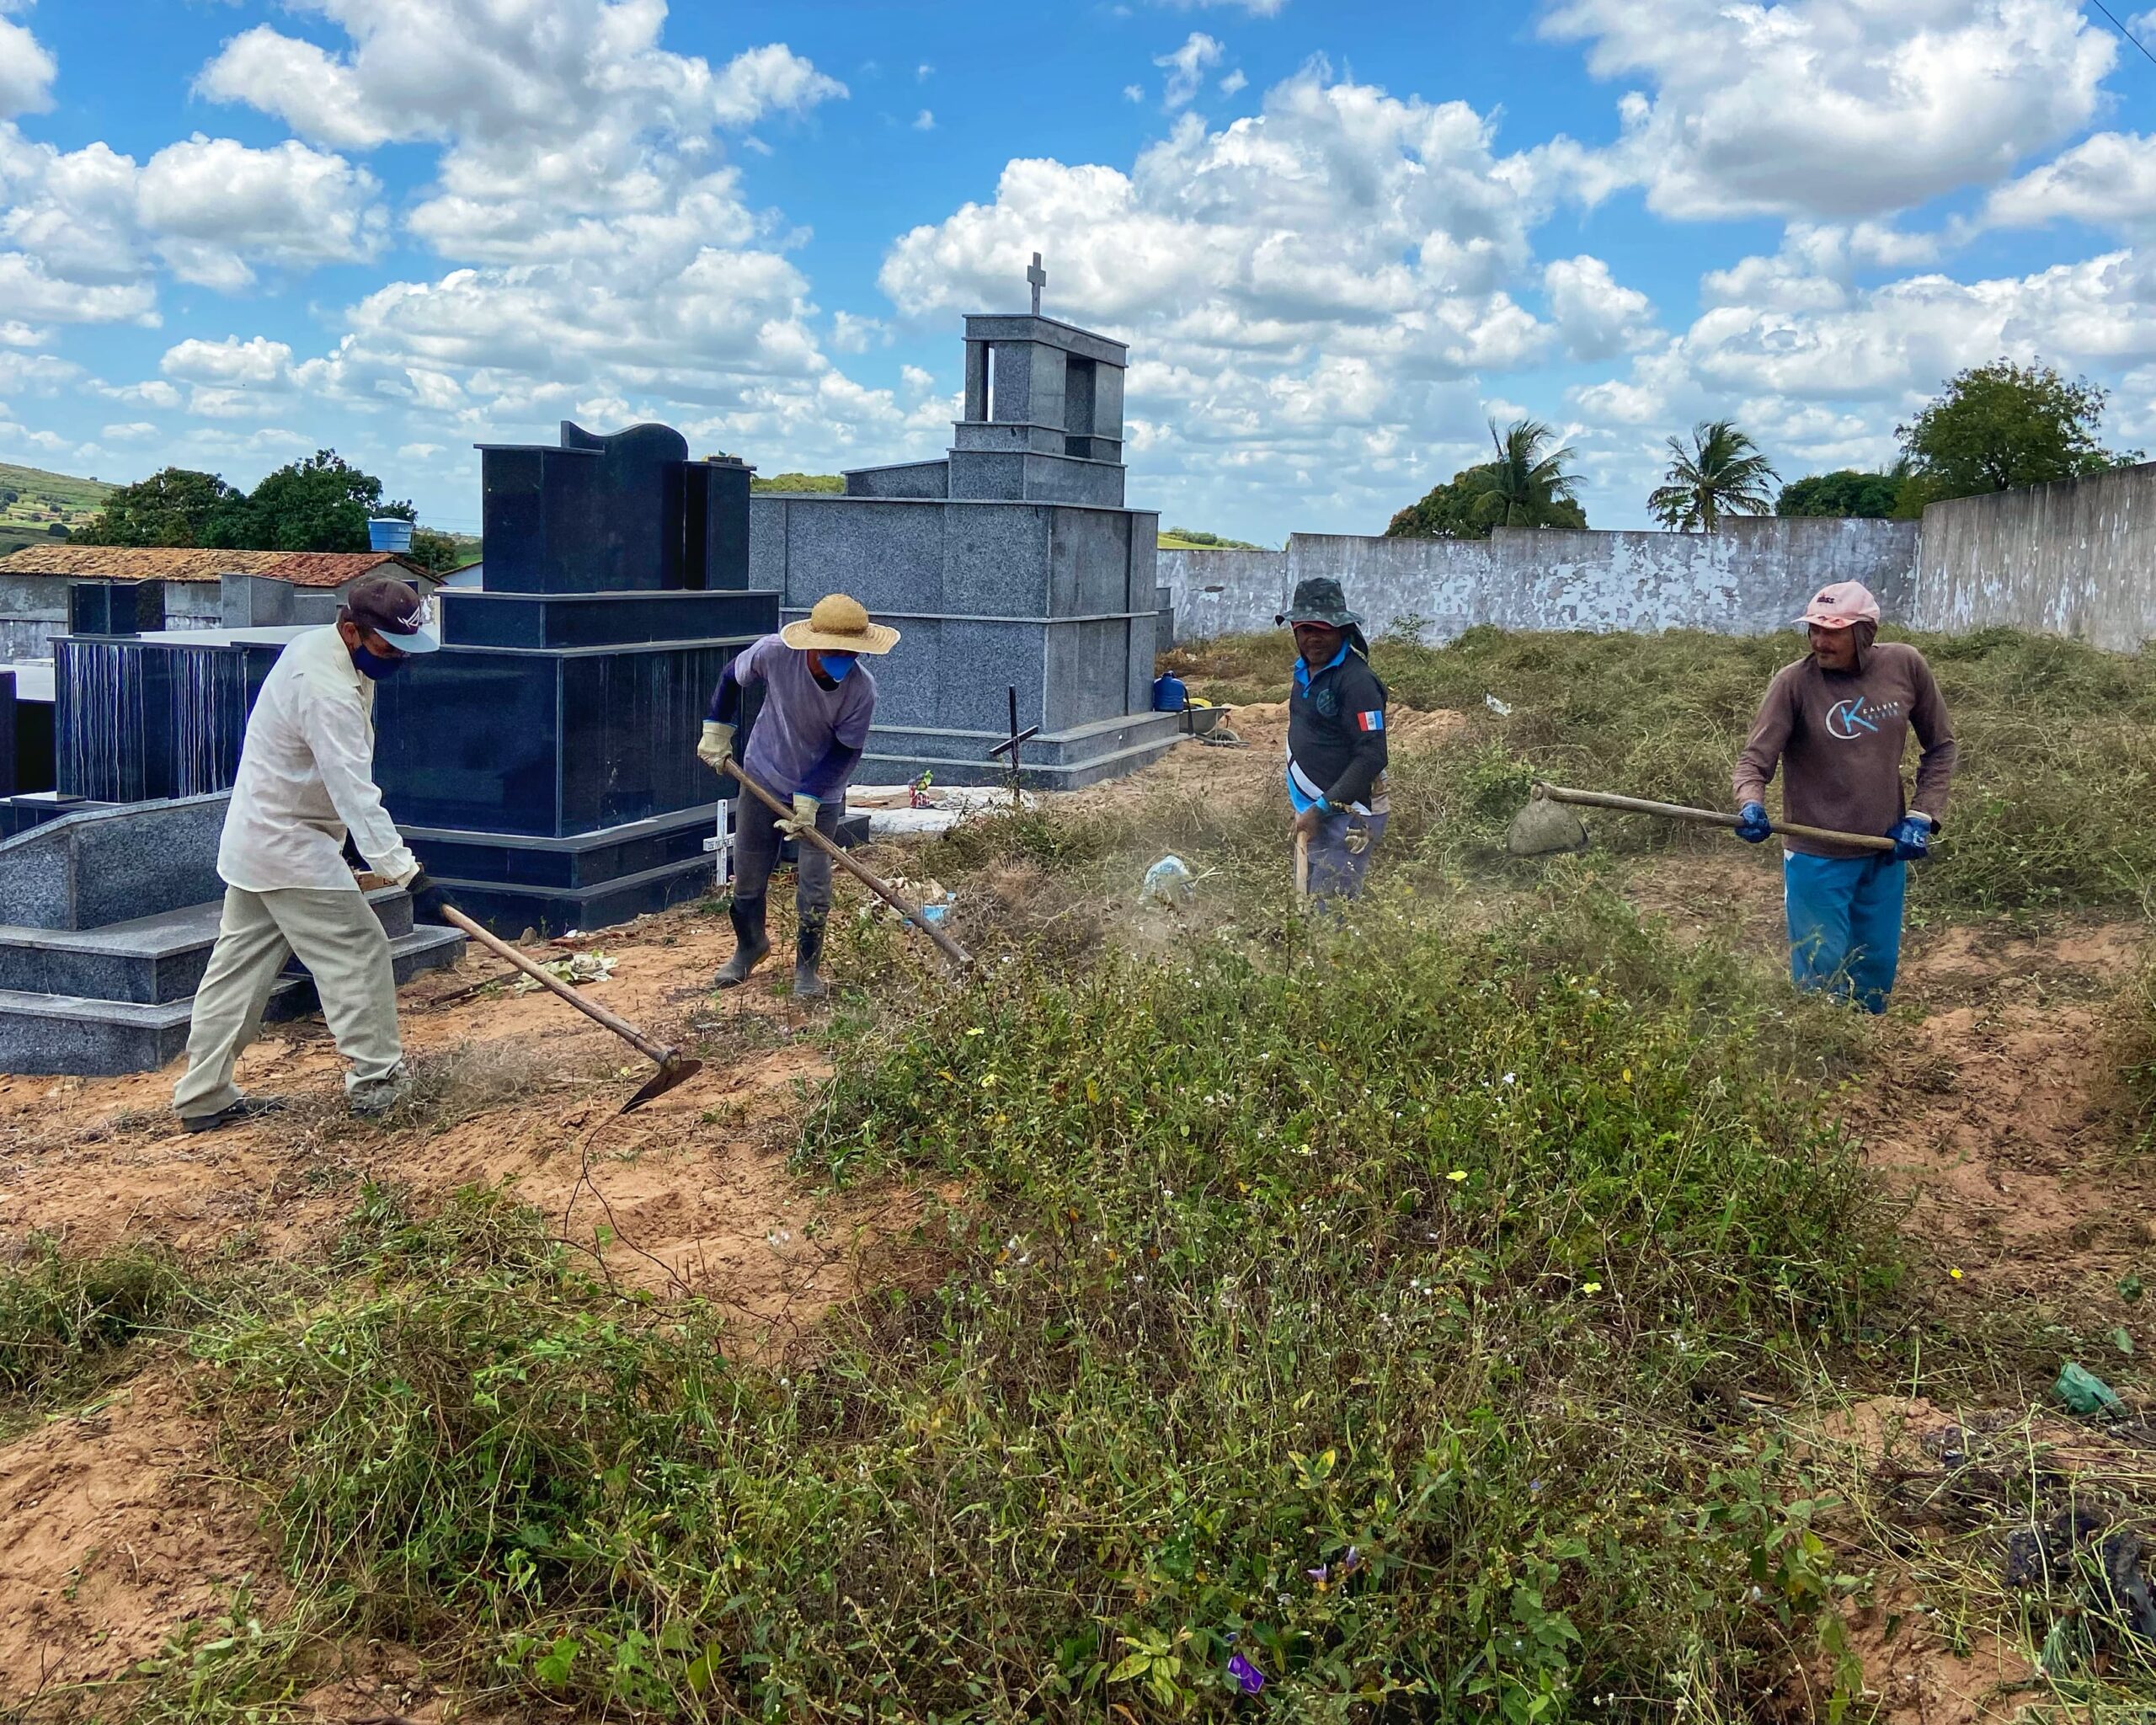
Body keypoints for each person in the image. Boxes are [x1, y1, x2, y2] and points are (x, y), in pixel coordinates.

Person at [173, 574, 450, 1132]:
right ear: (351, 630)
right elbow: (354, 790)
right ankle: (379, 1084)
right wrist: (407, 874)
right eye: (389, 648)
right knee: (358, 949)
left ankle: (203, 1095)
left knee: (238, 972)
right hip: (288, 844)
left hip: (265, 840)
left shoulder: (326, 652)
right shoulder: (324, 689)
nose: (398, 660)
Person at [1732, 579, 1956, 1012]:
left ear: (1865, 632)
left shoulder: (1905, 666)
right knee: (1821, 972)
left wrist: (1921, 816)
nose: (1820, 641)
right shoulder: (1794, 684)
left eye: (1832, 631)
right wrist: (1750, 803)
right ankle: (1821, 1046)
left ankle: (1865, 1043)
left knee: (1874, 969)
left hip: (1883, 850)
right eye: (1814, 629)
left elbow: (1942, 747)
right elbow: (1754, 761)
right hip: (1817, 857)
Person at [697, 592, 899, 999]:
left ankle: (807, 969)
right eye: (835, 651)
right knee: (748, 874)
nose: (844, 659)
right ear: (813, 644)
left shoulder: (861, 690)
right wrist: (717, 729)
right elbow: (730, 677)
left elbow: (845, 750)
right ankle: (750, 947)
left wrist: (810, 796)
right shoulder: (774, 653)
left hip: (821, 793)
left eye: (851, 652)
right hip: (763, 775)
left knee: (814, 882)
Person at [1278, 577, 1389, 905]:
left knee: (1331, 909)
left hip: (1349, 814)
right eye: (1305, 629)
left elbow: (1372, 756)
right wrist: (1308, 808)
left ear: (1342, 629)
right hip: (1314, 810)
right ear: (1295, 630)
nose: (1313, 637)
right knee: (1308, 900)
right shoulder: (1304, 671)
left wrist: (1322, 808)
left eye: (1323, 629)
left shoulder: (1357, 682)